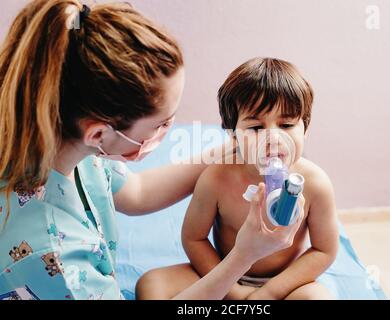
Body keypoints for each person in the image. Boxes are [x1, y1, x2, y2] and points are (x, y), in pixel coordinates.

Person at [0, 1, 300, 300]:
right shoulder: (54, 261)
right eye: (161, 124)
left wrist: (242, 142)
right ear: (99, 133)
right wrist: (244, 256)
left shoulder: (61, 141)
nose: (168, 131)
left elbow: (138, 192)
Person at [136, 58, 338, 300]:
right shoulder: (216, 178)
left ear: (305, 127)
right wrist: (231, 289)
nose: (273, 138)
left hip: (284, 282)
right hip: (224, 273)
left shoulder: (315, 184)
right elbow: (194, 237)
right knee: (152, 285)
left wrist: (271, 292)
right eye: (255, 128)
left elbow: (324, 250)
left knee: (318, 298)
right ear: (233, 133)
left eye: (286, 125)